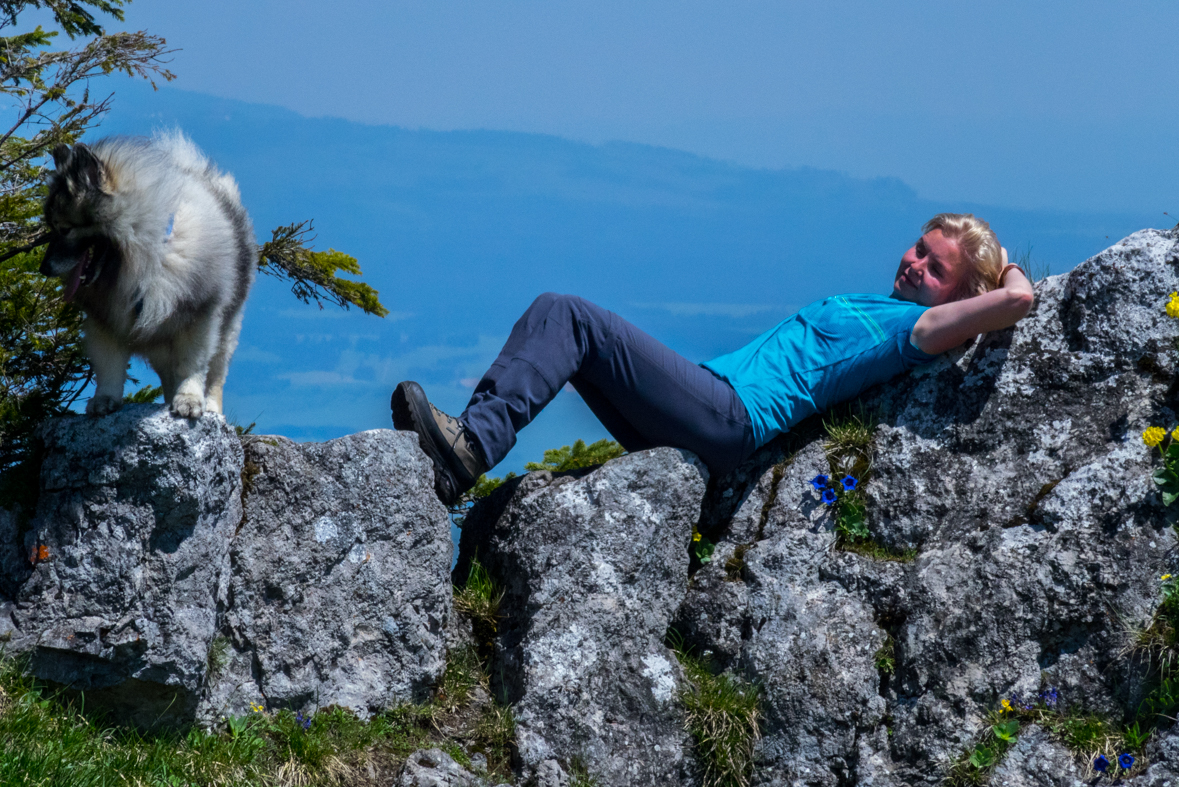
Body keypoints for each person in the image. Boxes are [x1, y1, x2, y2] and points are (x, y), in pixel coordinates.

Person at [392, 213, 1034, 505]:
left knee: (567, 315)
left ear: (959, 294)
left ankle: (471, 446)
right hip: (712, 402)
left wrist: (1006, 269)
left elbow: (1019, 300)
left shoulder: (917, 330)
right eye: (918, 248)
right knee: (575, 341)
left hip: (730, 417)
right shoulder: (892, 309)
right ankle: (453, 465)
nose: (914, 263)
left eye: (935, 266)